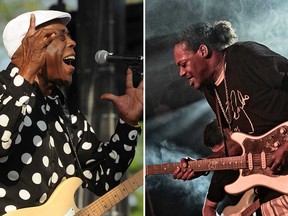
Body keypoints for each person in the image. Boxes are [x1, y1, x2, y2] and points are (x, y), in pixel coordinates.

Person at [0, 10, 143, 214]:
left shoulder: (65, 111)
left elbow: (103, 178)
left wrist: (128, 124)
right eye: (59, 36)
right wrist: (27, 73)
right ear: (28, 47)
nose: (72, 42)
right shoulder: (3, 89)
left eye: (68, 34)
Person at [172, 20, 288, 215]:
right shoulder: (211, 91)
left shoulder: (244, 55)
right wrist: (203, 164)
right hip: (273, 194)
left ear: (202, 51)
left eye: (184, 64)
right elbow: (236, 144)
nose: (181, 73)